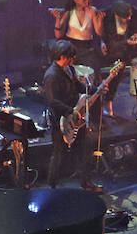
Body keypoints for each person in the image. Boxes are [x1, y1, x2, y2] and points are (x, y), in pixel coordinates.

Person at [41, 39, 104, 192]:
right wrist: (70, 111)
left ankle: (86, 182)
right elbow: (52, 101)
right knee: (59, 154)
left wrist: (96, 89)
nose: (72, 59)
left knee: (83, 150)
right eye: (70, 56)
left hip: (75, 117)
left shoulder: (70, 70)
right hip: (60, 120)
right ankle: (51, 186)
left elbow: (79, 86)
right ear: (61, 56)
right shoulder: (51, 75)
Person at [100, 0, 137, 115]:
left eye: (130, 15)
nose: (129, 18)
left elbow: (136, 32)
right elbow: (105, 37)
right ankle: (108, 100)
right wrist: (103, 42)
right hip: (113, 46)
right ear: (116, 15)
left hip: (129, 45)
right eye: (126, 17)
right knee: (117, 69)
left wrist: (135, 39)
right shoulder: (107, 16)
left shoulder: (135, 13)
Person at [49, 0, 104, 73]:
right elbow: (58, 35)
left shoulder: (92, 10)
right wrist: (58, 19)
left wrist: (100, 20)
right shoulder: (69, 12)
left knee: (91, 72)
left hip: (87, 48)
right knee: (72, 74)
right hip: (72, 48)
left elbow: (99, 32)